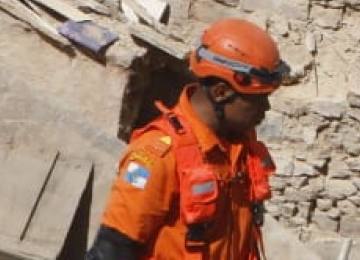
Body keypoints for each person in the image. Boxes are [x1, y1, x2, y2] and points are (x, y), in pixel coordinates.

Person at [88, 18, 292, 260]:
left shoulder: (239, 150)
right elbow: (110, 251)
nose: (266, 108)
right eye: (257, 99)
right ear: (221, 92)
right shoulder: (157, 157)